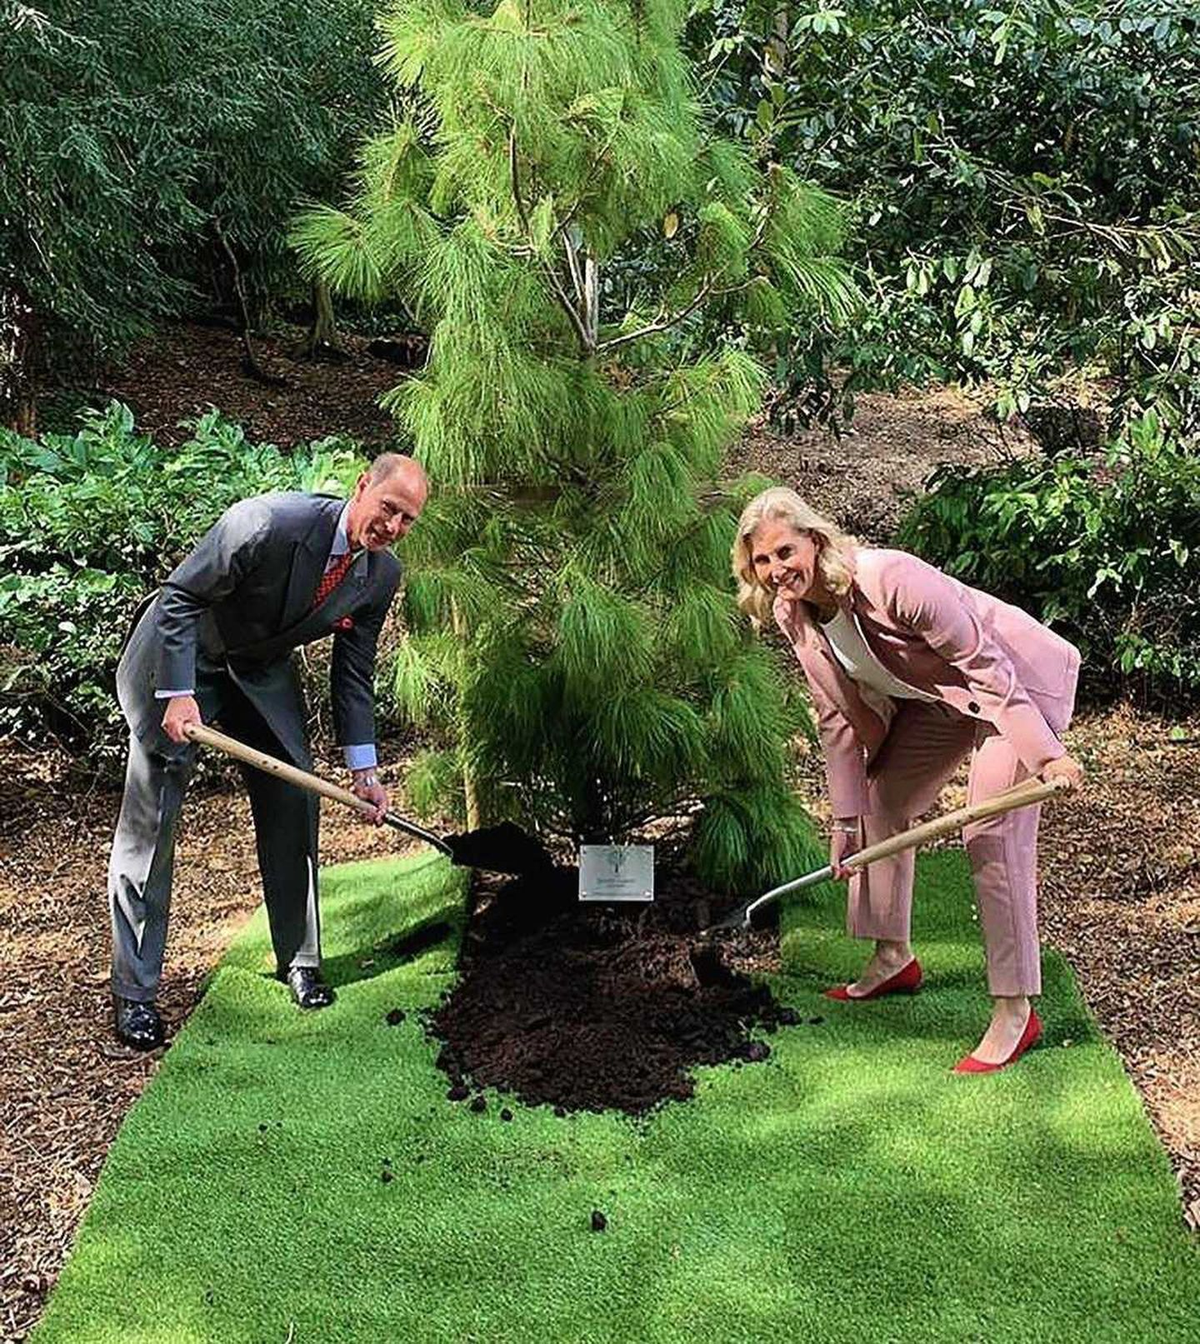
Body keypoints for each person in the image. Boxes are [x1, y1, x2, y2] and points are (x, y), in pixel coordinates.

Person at [732, 486, 1084, 1073]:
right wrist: (845, 818)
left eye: (784, 552)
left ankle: (1015, 1009)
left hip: (1014, 687)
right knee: (881, 803)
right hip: (937, 700)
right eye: (761, 561)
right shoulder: (794, 612)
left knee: (991, 834)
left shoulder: (891, 577)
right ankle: (893, 955)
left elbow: (986, 666)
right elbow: (834, 715)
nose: (775, 571)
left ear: (815, 541)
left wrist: (1049, 757)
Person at [107, 454, 428, 1050]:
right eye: (388, 509)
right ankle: (135, 993)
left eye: (408, 520)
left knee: (296, 793)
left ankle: (301, 959)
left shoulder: (378, 575)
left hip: (258, 670)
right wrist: (177, 695)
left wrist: (365, 771)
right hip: (178, 657)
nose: (393, 527)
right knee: (152, 818)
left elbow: (353, 674)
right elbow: (179, 598)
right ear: (362, 487)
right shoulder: (266, 522)